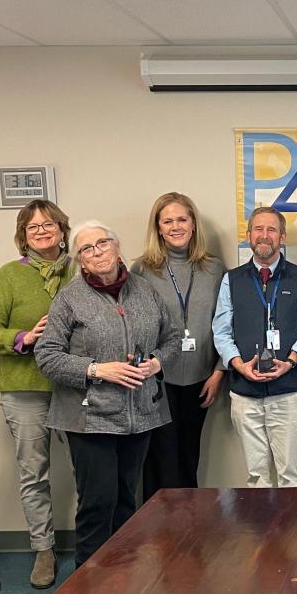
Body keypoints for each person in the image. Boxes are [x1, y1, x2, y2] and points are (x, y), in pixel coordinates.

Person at [35, 221, 179, 567]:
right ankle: (88, 588)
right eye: (87, 248)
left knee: (127, 503)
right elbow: (47, 354)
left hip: (139, 414)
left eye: (102, 243)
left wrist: (156, 363)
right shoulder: (70, 298)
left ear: (117, 248)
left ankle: (123, 582)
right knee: (98, 503)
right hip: (90, 419)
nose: (97, 251)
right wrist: (98, 369)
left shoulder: (145, 291)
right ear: (80, 261)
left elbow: (172, 339)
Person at [0, 199, 73, 588]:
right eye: (33, 228)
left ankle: (95, 545)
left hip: (74, 387)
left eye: (49, 224)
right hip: (25, 388)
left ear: (63, 229)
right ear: (23, 236)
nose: (42, 232)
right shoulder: (9, 276)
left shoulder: (81, 270)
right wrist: (23, 337)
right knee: (34, 473)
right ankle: (44, 549)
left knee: (91, 468)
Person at [211, 206, 297, 487]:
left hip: (289, 391)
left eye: (271, 229)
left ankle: (292, 532)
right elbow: (221, 331)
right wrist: (238, 365)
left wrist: (291, 361)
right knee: (256, 476)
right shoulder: (231, 280)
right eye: (258, 229)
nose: (264, 235)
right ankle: (261, 532)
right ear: (248, 236)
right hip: (245, 393)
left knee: (290, 475)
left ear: (282, 237)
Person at [132, 192, 226, 500]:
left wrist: (218, 372)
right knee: (160, 460)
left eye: (182, 219)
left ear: (193, 224)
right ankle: (157, 537)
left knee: (189, 457)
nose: (175, 226)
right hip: (158, 380)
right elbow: (132, 325)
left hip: (201, 378)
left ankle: (189, 536)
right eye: (167, 221)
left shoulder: (214, 269)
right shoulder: (142, 270)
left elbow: (226, 322)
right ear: (158, 228)